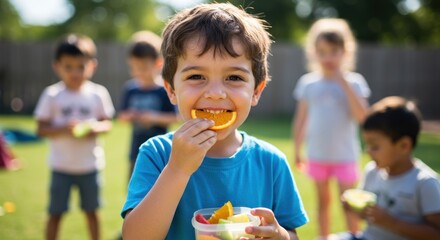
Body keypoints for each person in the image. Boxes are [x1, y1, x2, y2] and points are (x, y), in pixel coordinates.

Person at [121, 3, 308, 240]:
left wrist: (280, 235)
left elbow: (291, 233)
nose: (216, 93)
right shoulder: (156, 154)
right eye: (197, 76)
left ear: (256, 91)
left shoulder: (271, 162)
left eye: (234, 77)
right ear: (171, 90)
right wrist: (177, 169)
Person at [292, 18, 370, 240]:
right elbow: (300, 120)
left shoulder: (355, 83)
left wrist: (342, 82)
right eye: (322, 51)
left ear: (345, 51)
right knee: (323, 203)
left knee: (349, 203)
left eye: (334, 51)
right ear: (313, 52)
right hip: (317, 155)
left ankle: (355, 236)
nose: (328, 57)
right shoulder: (308, 84)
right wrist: (298, 150)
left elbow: (363, 117)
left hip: (345, 155)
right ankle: (324, 237)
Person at [34, 34, 115, 240]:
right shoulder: (52, 95)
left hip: (90, 166)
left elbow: (107, 123)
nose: (75, 72)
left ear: (92, 66)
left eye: (81, 66)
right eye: (68, 67)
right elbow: (41, 129)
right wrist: (63, 129)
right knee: (55, 213)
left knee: (92, 212)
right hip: (61, 167)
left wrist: (93, 128)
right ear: (57, 66)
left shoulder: (98, 93)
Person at [351, 96, 440, 239]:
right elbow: (365, 216)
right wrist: (355, 208)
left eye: (375, 146)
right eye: (367, 145)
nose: (368, 151)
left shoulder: (425, 183)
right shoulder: (372, 171)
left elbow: (436, 234)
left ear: (404, 145)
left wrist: (391, 223)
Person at [118, 31, 178, 179]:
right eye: (135, 67)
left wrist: (153, 118)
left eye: (143, 67)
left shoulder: (164, 90)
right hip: (136, 151)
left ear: (158, 63)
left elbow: (175, 117)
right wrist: (131, 115)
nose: (139, 72)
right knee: (135, 189)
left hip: (161, 152)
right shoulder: (130, 89)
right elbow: (121, 116)